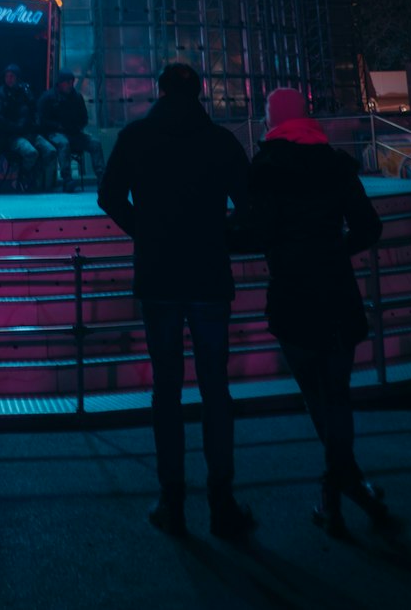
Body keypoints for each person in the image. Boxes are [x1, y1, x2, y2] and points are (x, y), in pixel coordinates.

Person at [98, 62, 254, 539]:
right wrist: (220, 232)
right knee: (216, 389)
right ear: (200, 92)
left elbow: (109, 196)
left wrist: (145, 231)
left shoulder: (136, 137)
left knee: (166, 389)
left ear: (161, 91)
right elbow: (250, 203)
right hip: (208, 275)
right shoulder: (221, 141)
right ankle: (222, 500)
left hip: (158, 275)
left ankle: (172, 499)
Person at [245, 87, 396, 537]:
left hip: (292, 292)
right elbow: (368, 226)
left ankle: (337, 490)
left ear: (273, 117)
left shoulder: (266, 167)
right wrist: (335, 252)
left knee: (316, 397)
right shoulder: (335, 164)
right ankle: (342, 487)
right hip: (335, 290)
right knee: (337, 393)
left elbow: (258, 231)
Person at [0, 63, 56, 192]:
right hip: (12, 135)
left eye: (12, 76)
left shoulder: (24, 92)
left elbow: (34, 110)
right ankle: (25, 177)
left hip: (29, 132)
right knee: (31, 152)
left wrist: (34, 122)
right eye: (7, 76)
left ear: (18, 78)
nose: (9, 79)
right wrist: (15, 127)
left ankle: (46, 185)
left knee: (50, 150)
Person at [37, 70, 105, 190]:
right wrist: (58, 126)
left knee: (95, 143)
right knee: (63, 143)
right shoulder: (48, 97)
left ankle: (103, 178)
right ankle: (67, 179)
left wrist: (77, 127)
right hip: (54, 133)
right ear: (60, 83)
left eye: (71, 82)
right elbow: (41, 120)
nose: (70, 85)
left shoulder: (77, 98)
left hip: (74, 133)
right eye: (67, 82)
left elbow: (84, 118)